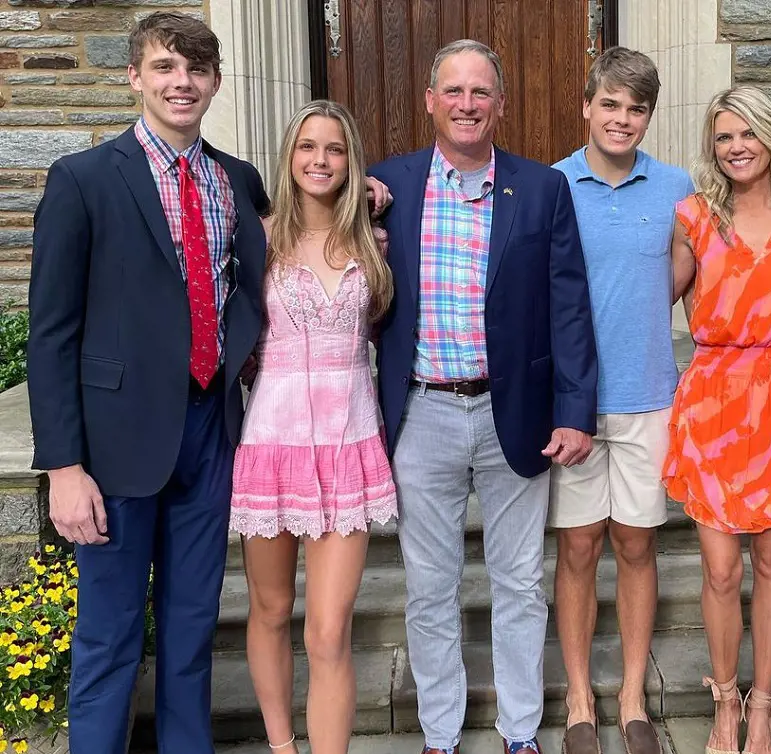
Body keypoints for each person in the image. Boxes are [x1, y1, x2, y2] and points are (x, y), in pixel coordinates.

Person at [26, 13, 270, 753]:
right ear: (135, 76)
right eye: (165, 67)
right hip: (115, 446)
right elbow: (51, 333)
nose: (181, 83)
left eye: (196, 70)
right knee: (108, 636)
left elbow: (271, 268)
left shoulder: (238, 180)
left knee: (193, 628)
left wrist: (371, 200)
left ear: (216, 82)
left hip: (207, 432)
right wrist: (64, 467)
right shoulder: (83, 180)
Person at [368, 39, 598, 754]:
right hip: (422, 412)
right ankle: (440, 735)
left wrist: (575, 410)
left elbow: (569, 306)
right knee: (432, 588)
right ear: (431, 101)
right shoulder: (386, 185)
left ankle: (520, 734)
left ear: (500, 104)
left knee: (521, 583)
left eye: (480, 93)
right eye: (454, 92)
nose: (467, 105)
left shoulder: (540, 189)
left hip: (516, 413)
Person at [661, 86, 771, 754]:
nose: (735, 147)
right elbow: (651, 295)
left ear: (770, 137)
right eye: (724, 136)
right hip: (713, 397)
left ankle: (764, 706)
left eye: (747, 134)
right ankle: (724, 701)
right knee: (721, 569)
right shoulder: (694, 216)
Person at [228, 100, 397, 754]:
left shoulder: (374, 241)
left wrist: (376, 199)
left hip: (349, 443)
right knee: (270, 611)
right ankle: (281, 746)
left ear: (351, 160)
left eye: (334, 148)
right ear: (289, 157)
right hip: (273, 443)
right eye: (307, 147)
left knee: (328, 631)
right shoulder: (259, 239)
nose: (319, 160)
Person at [549, 46, 695, 754]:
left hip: (648, 398)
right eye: (610, 104)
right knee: (578, 547)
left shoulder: (677, 187)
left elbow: (685, 274)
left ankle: (632, 693)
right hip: (573, 406)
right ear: (586, 106)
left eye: (636, 108)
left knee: (636, 543)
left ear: (649, 116)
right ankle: (580, 699)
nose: (622, 119)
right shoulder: (550, 187)